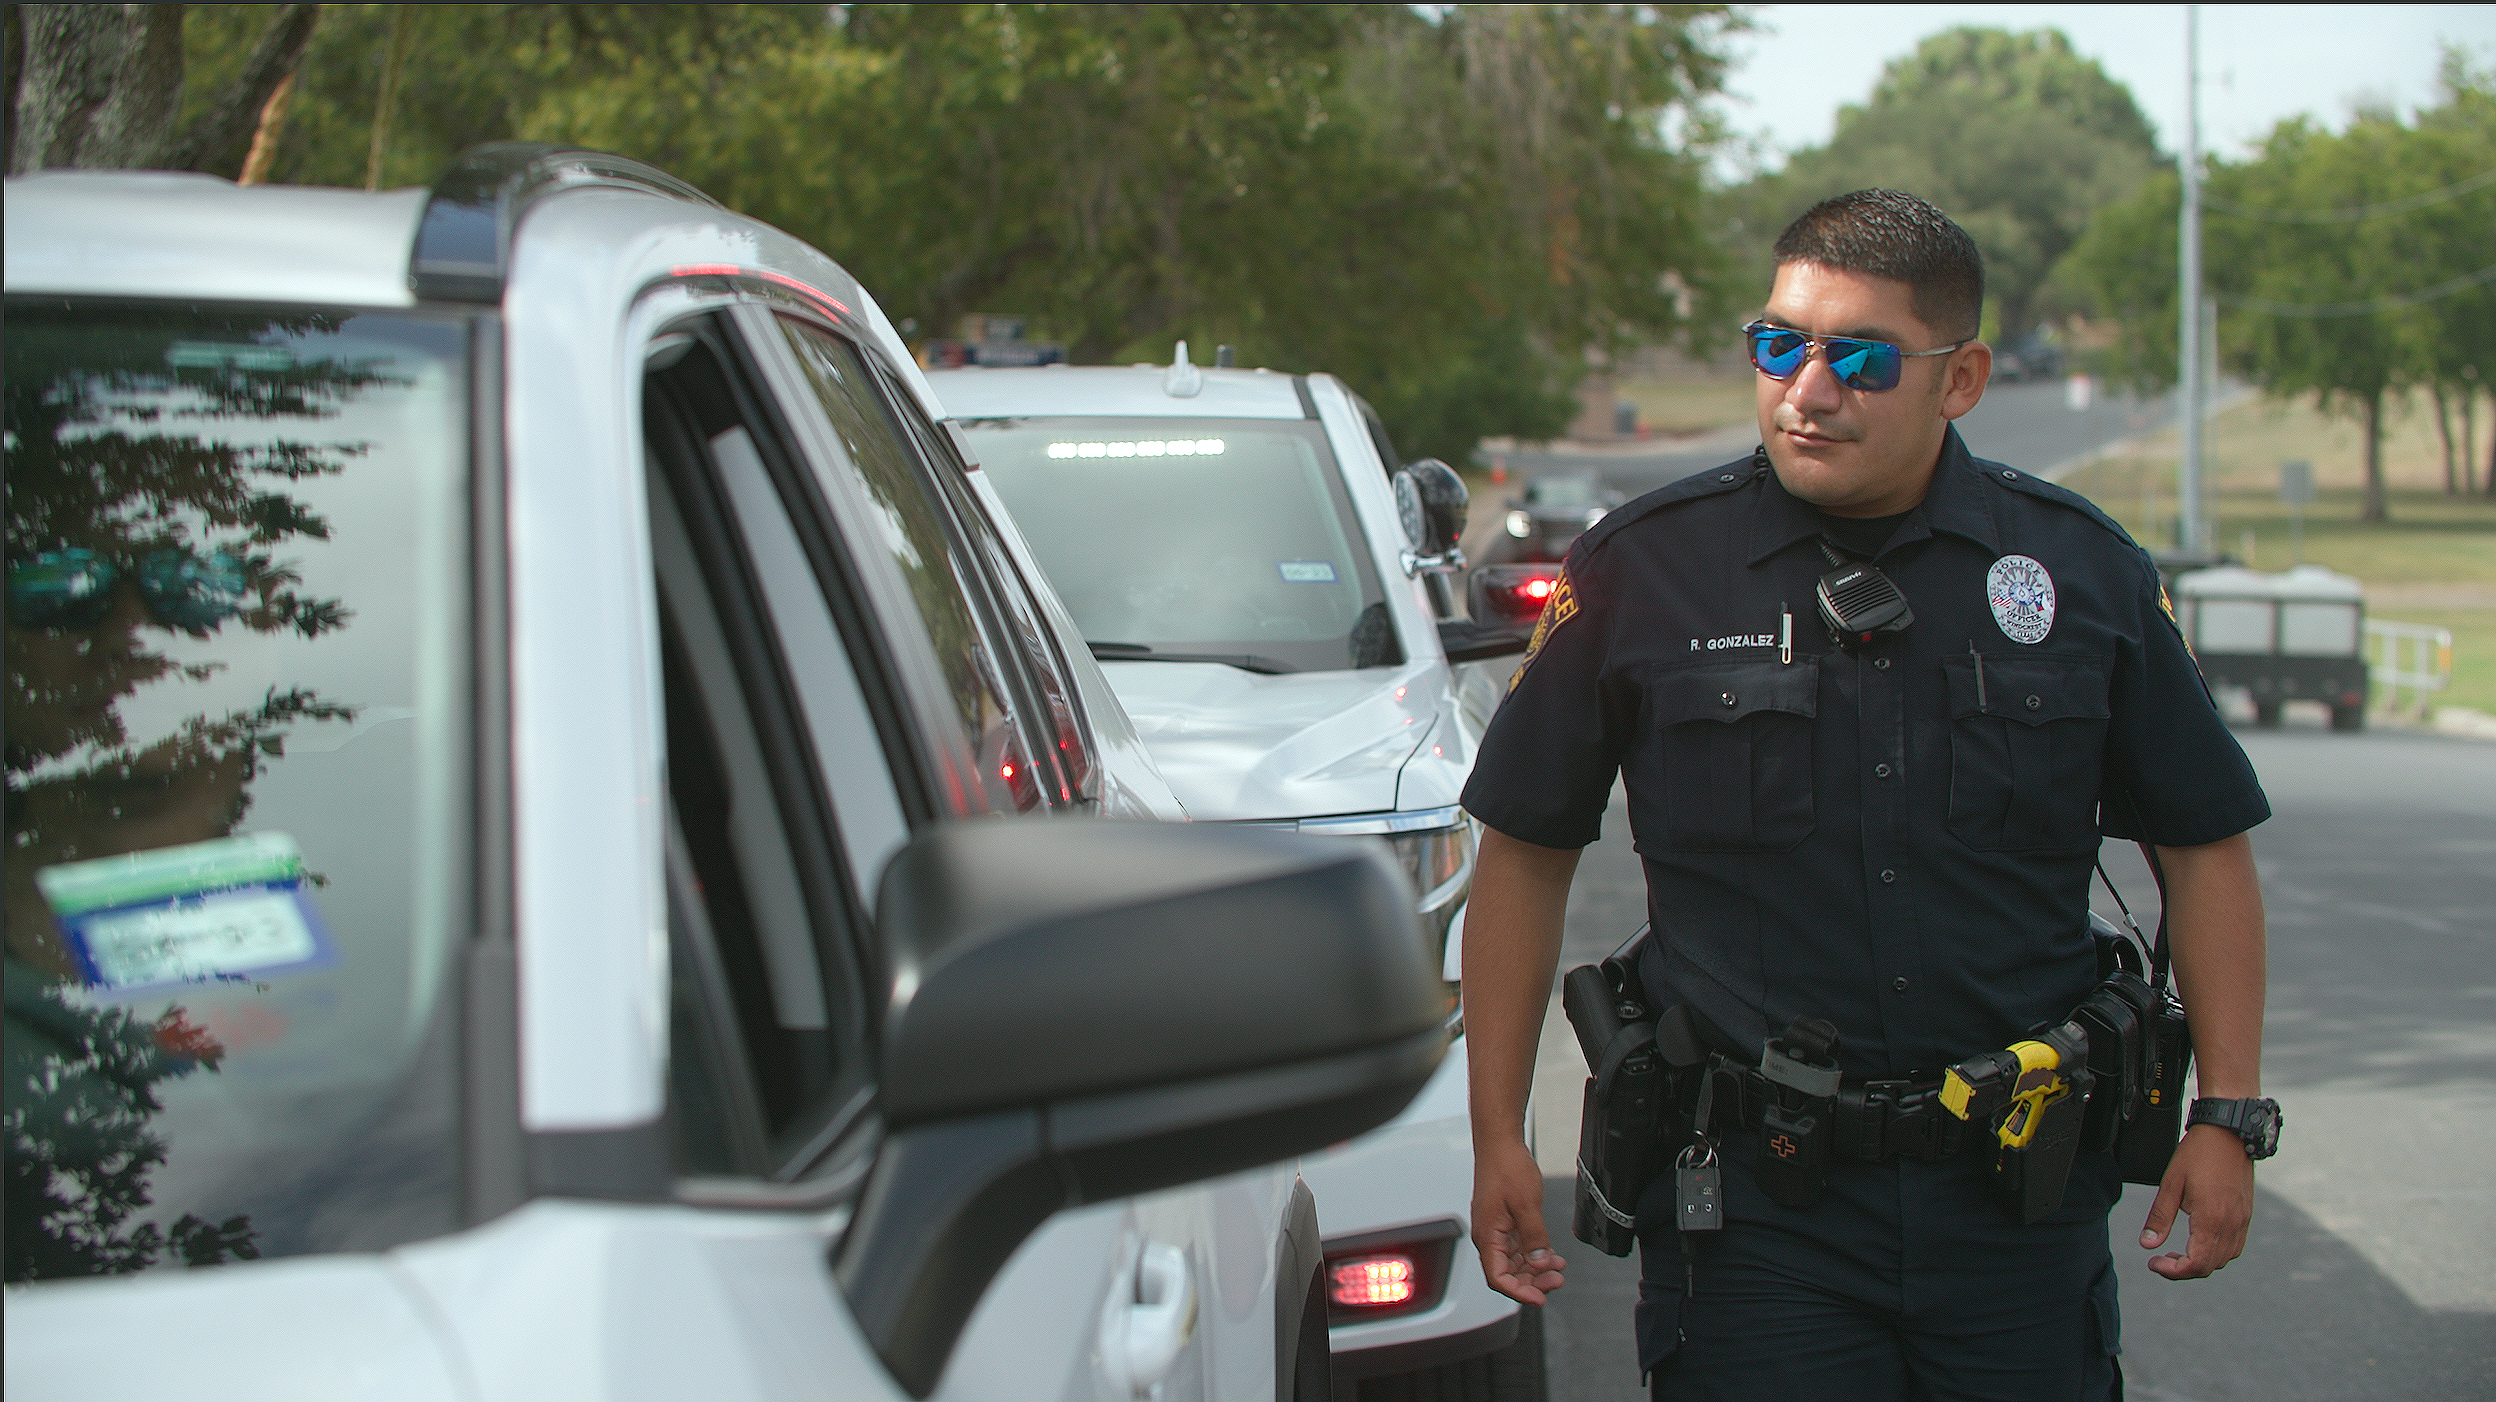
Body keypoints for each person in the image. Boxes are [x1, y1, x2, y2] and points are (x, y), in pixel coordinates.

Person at [1459, 189, 2275, 1400]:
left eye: (1861, 358)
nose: (1808, 388)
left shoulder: (2076, 570)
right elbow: (1525, 851)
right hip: (1752, 1217)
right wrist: (1498, 1136)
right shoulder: (1644, 572)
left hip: (2017, 1205)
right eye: (1780, 345)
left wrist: (2230, 1114)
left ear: (1961, 379)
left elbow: (2205, 847)